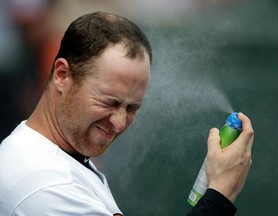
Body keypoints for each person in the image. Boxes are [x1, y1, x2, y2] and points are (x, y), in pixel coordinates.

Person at [0, 11, 254, 216]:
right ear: (62, 75)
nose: (120, 123)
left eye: (132, 108)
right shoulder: (47, 186)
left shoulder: (53, 158)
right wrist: (220, 193)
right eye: (109, 102)